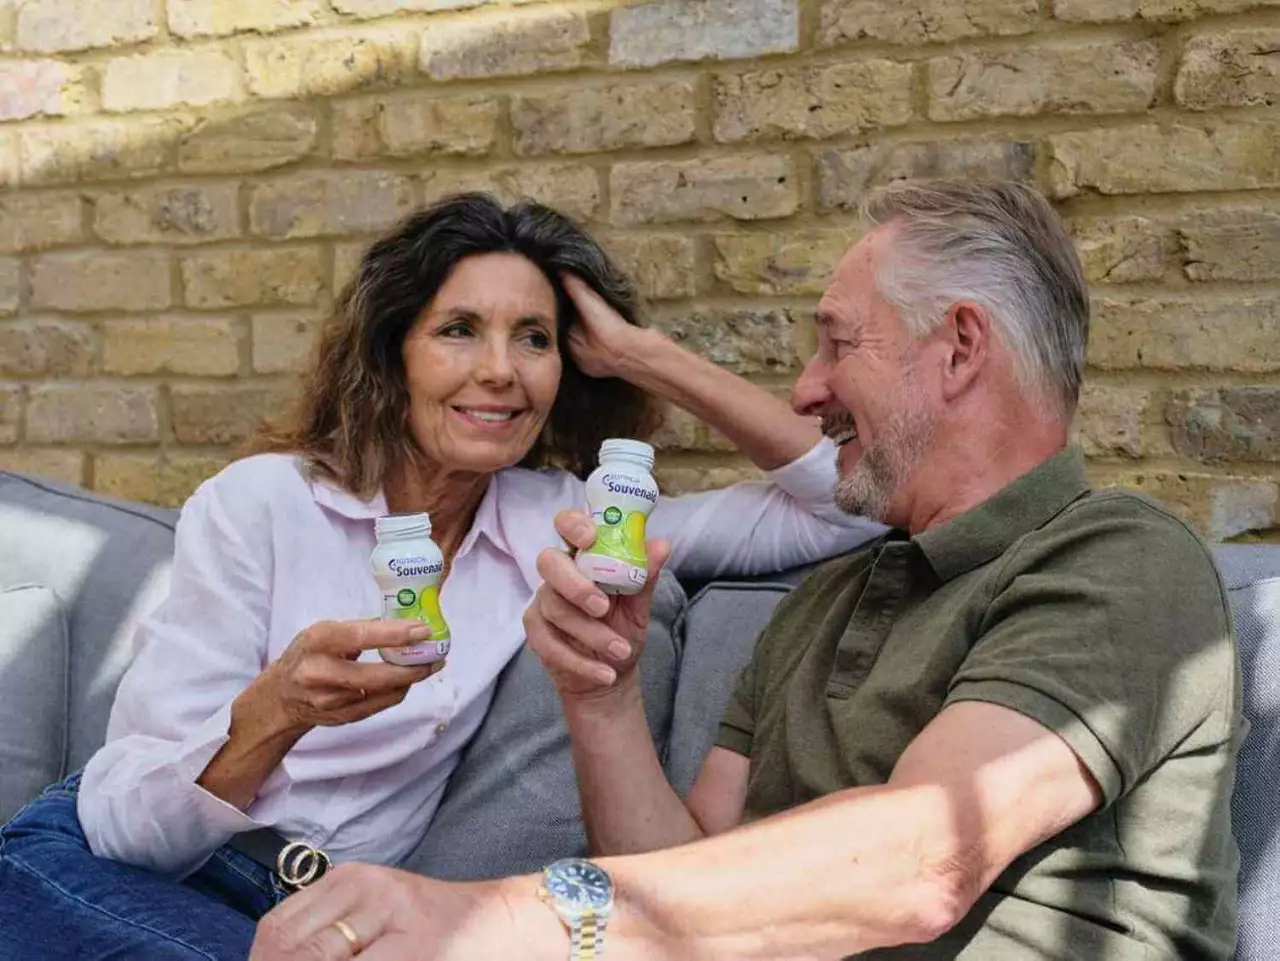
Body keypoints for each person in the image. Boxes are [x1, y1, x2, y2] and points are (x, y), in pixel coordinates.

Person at [249, 181, 1242, 961]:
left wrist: (497, 922)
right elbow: (680, 885)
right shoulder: (827, 599)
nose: (806, 389)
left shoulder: (1118, 558)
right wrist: (598, 695)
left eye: (834, 343)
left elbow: (924, 854)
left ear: (957, 350)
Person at [0, 194, 881, 960]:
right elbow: (123, 824)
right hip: (123, 867)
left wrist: (644, 355)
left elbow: (843, 504)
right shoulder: (261, 505)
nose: (499, 369)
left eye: (532, 338)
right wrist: (281, 708)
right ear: (394, 354)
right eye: (459, 330)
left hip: (330, 916)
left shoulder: (564, 524)